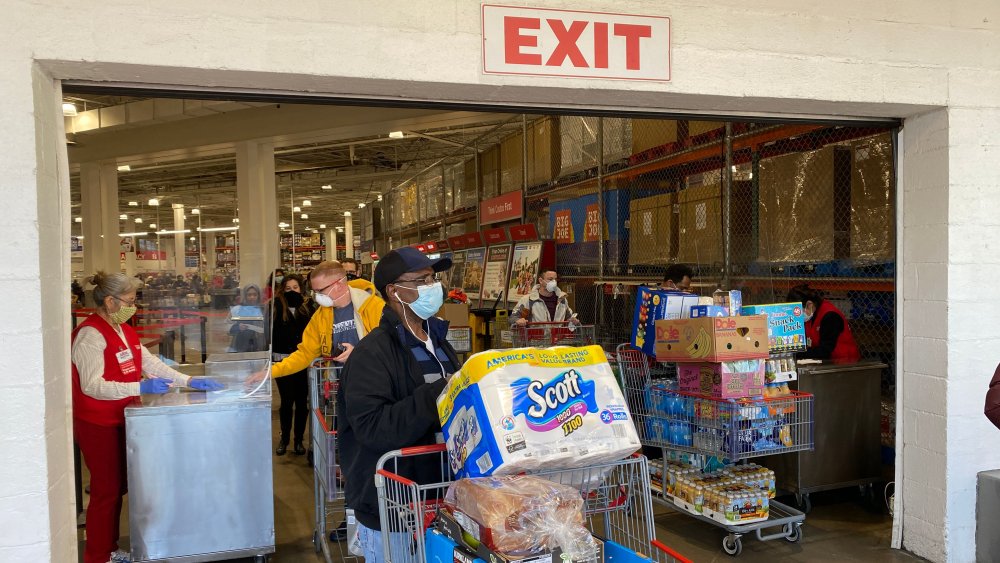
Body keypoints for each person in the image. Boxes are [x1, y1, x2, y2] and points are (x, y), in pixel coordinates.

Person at [72, 272, 223, 563]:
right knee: (107, 491)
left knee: (119, 487)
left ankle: (110, 548)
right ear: (109, 301)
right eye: (129, 301)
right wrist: (139, 386)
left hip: (126, 418)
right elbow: (92, 385)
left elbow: (148, 361)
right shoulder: (90, 335)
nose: (134, 307)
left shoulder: (121, 328)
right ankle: (99, 555)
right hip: (98, 423)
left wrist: (189, 380)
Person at [337, 247, 460, 561]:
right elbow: (373, 428)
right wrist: (438, 394)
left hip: (439, 497)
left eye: (433, 278)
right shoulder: (371, 354)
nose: (433, 287)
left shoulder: (438, 341)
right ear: (394, 291)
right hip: (393, 508)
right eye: (421, 280)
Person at [266, 274, 316, 456]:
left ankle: (298, 441)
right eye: (288, 288)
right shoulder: (275, 307)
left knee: (302, 402)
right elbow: (269, 332)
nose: (292, 291)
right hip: (282, 361)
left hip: (304, 362)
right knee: (287, 401)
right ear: (282, 290)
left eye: (295, 288)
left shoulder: (308, 306)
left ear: (301, 288)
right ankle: (284, 438)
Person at [786, 284, 861, 363]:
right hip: (828, 362)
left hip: (844, 363)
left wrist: (795, 353)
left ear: (809, 305)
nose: (796, 316)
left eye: (797, 312)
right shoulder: (810, 316)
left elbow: (825, 351)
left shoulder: (830, 316)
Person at [510, 270, 580, 326]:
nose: (554, 282)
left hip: (557, 340)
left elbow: (569, 317)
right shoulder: (528, 300)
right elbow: (513, 317)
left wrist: (573, 320)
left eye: (555, 279)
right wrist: (518, 320)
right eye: (550, 279)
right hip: (536, 341)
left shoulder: (562, 299)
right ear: (540, 281)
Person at [229, 284, 265, 352]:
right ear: (245, 296)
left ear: (258, 295)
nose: (252, 297)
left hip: (259, 345)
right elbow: (227, 326)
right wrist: (238, 327)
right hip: (240, 345)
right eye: (249, 295)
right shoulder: (237, 309)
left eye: (255, 295)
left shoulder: (263, 310)